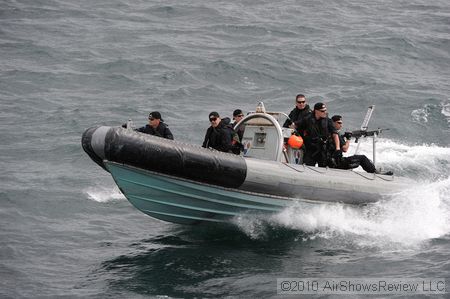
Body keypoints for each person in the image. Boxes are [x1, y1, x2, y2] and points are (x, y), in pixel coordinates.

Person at [295, 102, 340, 167]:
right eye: (322, 111)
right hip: (311, 148)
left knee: (324, 168)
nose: (325, 112)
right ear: (316, 111)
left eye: (325, 110)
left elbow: (335, 134)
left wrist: (337, 148)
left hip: (323, 149)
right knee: (308, 166)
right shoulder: (308, 119)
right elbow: (296, 125)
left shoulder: (328, 121)